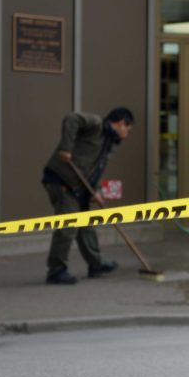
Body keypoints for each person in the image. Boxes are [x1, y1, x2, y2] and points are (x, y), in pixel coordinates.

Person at [41, 107, 134, 285]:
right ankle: (56, 271)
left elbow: (95, 170)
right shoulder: (97, 124)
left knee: (86, 227)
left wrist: (96, 190)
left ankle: (96, 264)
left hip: (79, 186)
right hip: (61, 180)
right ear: (121, 123)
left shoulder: (108, 143)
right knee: (68, 226)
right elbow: (71, 119)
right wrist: (66, 147)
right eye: (127, 130)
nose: (126, 135)